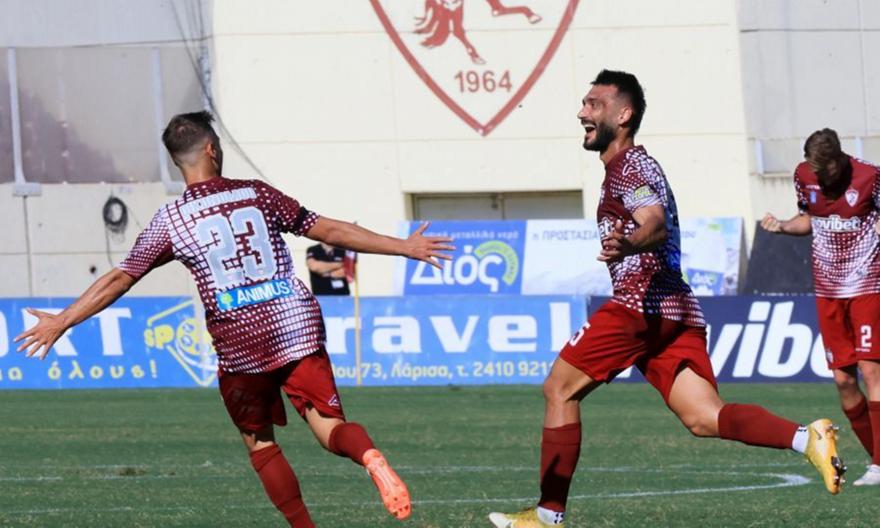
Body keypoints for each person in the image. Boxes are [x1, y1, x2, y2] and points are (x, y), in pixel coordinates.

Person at [14, 111, 454, 527]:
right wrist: (403, 246)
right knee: (329, 427)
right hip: (294, 323)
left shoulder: (171, 220)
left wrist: (63, 320)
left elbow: (120, 278)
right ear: (211, 149)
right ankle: (369, 456)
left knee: (260, 443)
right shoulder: (256, 194)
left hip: (240, 341)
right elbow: (329, 230)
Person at [488, 70, 845, 528]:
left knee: (559, 388)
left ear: (624, 114)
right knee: (704, 417)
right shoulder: (628, 168)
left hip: (640, 304)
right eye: (583, 103)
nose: (582, 112)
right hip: (676, 310)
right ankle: (806, 439)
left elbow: (653, 221)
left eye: (594, 104)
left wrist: (630, 242)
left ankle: (546, 515)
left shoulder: (632, 167)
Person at [761, 128, 880, 487]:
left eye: (825, 172)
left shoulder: (870, 177)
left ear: (839, 161)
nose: (820, 179)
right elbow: (808, 219)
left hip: (867, 286)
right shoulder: (804, 175)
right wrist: (782, 226)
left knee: (871, 371)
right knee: (844, 381)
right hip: (828, 291)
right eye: (815, 172)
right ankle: (877, 459)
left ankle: (879, 466)